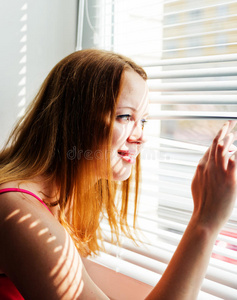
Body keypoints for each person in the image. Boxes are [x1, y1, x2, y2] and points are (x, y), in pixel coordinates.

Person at [0, 49, 236, 300]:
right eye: (125, 117)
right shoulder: (18, 211)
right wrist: (204, 223)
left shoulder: (61, 201)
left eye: (143, 121)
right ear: (75, 120)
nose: (141, 136)